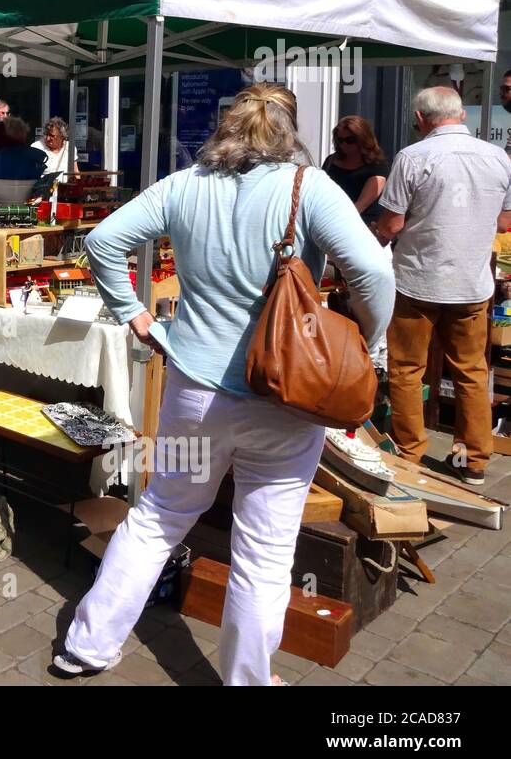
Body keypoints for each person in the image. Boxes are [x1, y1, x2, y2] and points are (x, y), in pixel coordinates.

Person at [52, 84, 393, 686]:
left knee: (159, 516)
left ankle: (85, 647)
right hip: (286, 398)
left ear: (227, 126)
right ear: (288, 131)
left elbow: (104, 241)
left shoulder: (185, 185)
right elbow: (370, 270)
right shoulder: (305, 186)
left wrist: (135, 316)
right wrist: (362, 344)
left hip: (194, 391)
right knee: (264, 551)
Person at [376, 87, 511, 487]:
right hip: (472, 282)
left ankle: (410, 455)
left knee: (406, 371)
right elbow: (504, 224)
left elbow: (391, 226)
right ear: (462, 116)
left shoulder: (412, 157)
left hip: (418, 280)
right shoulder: (499, 157)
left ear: (420, 119)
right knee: (472, 371)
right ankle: (475, 460)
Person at [322, 115, 389, 223]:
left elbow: (361, 204)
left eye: (349, 140)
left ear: (362, 139)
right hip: (331, 220)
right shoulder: (331, 161)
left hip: (361, 225)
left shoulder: (377, 166)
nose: (344, 144)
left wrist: (333, 222)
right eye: (340, 140)